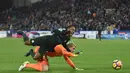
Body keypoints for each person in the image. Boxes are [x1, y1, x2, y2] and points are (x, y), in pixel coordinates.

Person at [18, 43, 84, 72]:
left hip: (44, 54)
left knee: (45, 68)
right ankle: (26, 65)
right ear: (68, 47)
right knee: (44, 69)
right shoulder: (60, 47)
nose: (74, 50)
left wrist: (74, 67)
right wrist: (74, 55)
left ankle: (28, 63)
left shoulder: (64, 50)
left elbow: (67, 59)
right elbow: (66, 53)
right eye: (73, 48)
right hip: (40, 51)